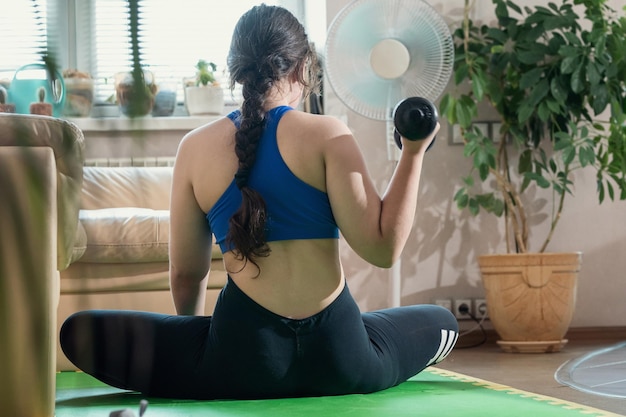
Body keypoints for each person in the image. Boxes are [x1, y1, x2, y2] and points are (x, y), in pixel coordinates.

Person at [60, 4, 458, 400]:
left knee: (78, 332)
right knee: (442, 322)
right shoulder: (329, 134)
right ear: (304, 67)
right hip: (343, 357)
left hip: (241, 360)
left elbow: (186, 273)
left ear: (235, 69)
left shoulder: (194, 148)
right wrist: (413, 152)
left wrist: (195, 344)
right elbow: (383, 249)